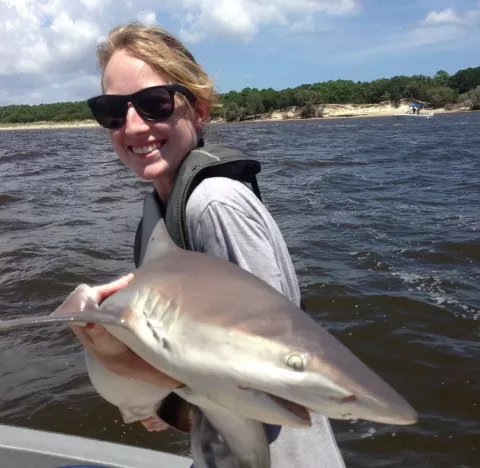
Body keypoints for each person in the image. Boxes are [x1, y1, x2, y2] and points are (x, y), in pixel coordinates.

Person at [61, 22, 346, 468]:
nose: (133, 126)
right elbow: (203, 372)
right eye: (113, 110)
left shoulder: (214, 206)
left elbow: (271, 383)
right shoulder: (159, 212)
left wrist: (125, 366)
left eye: (154, 104)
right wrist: (158, 399)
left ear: (200, 110)